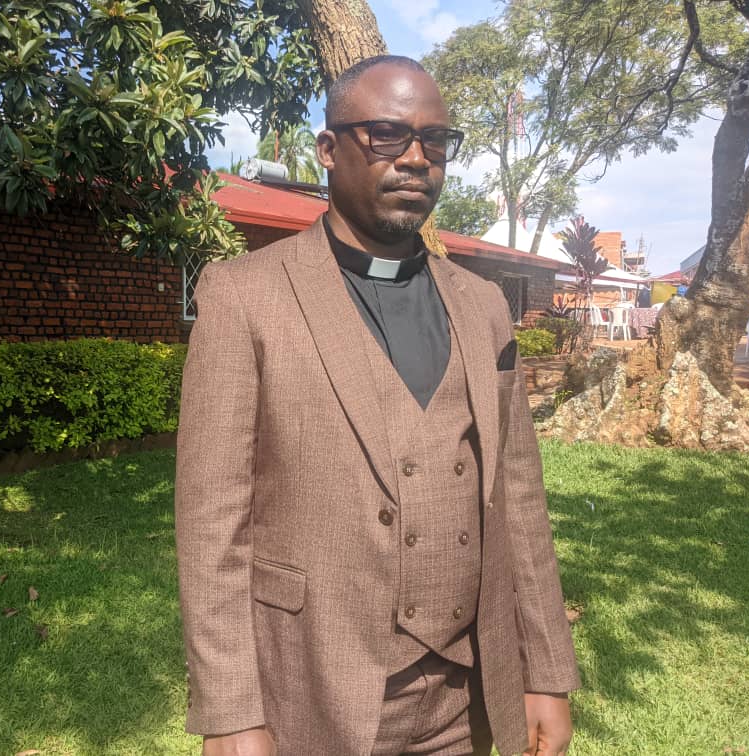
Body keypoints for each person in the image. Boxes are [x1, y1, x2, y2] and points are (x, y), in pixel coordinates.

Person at [175, 55, 580, 756]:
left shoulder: (482, 305)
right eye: (388, 134)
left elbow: (519, 496)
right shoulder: (244, 295)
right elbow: (212, 523)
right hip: (314, 686)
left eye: (436, 140)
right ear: (329, 149)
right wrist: (231, 712)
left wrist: (544, 669)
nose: (416, 158)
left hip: (467, 695)